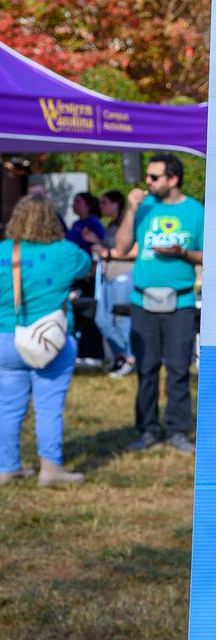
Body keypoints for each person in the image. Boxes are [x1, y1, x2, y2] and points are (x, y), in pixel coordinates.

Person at [114, 153, 204, 454]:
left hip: (180, 302)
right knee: (147, 368)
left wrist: (183, 253)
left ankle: (178, 430)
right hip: (142, 300)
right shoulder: (143, 207)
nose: (148, 182)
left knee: (179, 368)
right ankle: (148, 429)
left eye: (154, 177)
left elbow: (207, 254)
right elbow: (121, 246)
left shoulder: (195, 211)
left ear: (173, 179)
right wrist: (130, 210)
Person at [0, 194, 92, 486]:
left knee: (8, 407)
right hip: (52, 341)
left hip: (6, 339)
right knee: (49, 407)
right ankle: (51, 469)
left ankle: (7, 467)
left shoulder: (3, 251)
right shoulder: (66, 251)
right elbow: (86, 267)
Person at [83, 190, 138, 378]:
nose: (101, 206)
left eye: (105, 202)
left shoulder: (128, 223)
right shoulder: (111, 225)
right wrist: (97, 243)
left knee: (123, 319)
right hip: (108, 278)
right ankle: (121, 356)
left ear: (116, 204)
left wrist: (107, 253)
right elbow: (109, 249)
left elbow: (134, 250)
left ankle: (131, 359)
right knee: (102, 320)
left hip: (123, 276)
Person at [63, 191, 107, 367]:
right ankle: (81, 351)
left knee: (89, 312)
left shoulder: (93, 224)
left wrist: (92, 267)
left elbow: (99, 247)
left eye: (78, 201)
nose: (74, 204)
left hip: (87, 276)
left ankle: (94, 353)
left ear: (88, 205)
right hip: (75, 275)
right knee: (79, 313)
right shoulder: (76, 224)